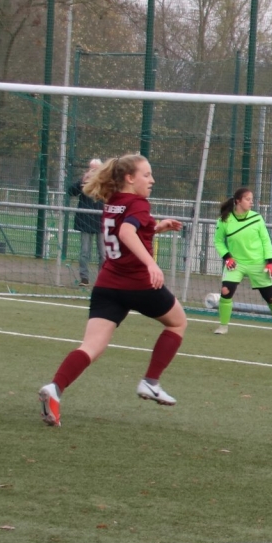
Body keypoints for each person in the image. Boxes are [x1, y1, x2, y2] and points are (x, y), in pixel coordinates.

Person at [38, 153, 186, 425]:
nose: (152, 180)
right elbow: (127, 233)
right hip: (138, 284)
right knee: (177, 323)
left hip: (107, 284)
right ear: (129, 178)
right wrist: (151, 264)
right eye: (146, 175)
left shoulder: (113, 201)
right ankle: (151, 382)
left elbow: (129, 229)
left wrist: (156, 227)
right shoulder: (138, 203)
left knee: (91, 346)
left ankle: (55, 388)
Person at [211, 187, 272, 335]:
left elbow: (266, 241)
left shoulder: (257, 218)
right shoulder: (224, 220)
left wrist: (270, 262)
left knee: (270, 297)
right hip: (236, 263)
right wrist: (227, 257)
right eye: (248, 199)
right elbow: (218, 241)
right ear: (238, 201)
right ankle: (223, 326)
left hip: (258, 263)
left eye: (252, 200)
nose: (251, 202)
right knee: (225, 291)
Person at [70, 157, 104, 286]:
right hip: (85, 221)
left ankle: (102, 279)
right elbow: (71, 191)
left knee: (103, 254)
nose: (93, 171)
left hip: (101, 222)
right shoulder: (84, 181)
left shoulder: (106, 182)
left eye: (96, 169)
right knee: (84, 252)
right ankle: (84, 278)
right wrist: (82, 182)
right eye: (91, 168)